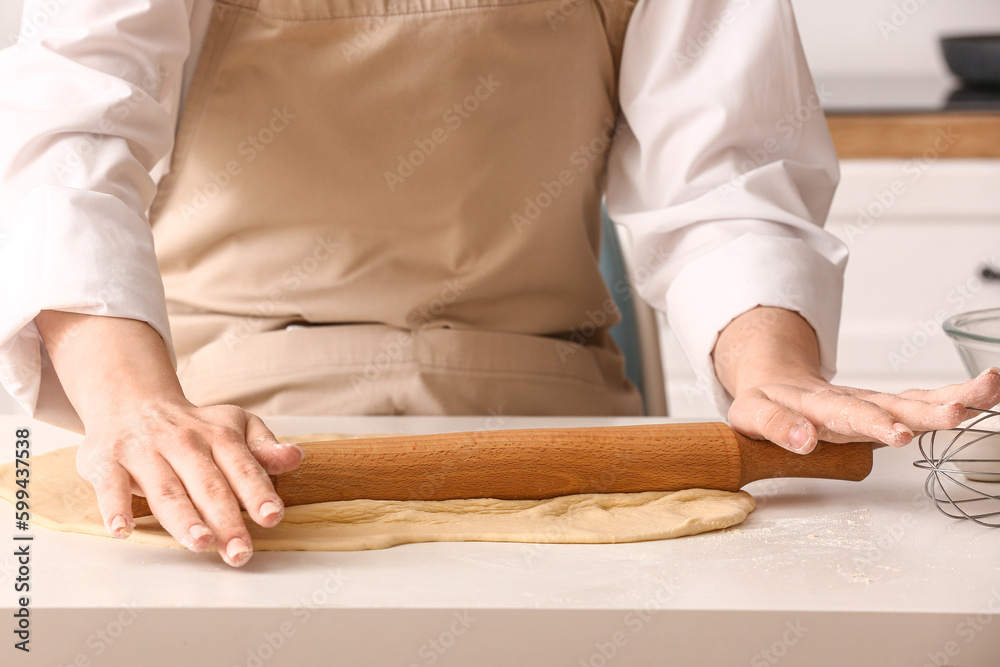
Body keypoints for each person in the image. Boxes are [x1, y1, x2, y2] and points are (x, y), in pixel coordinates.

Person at [2, 0, 997, 567]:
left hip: (556, 427)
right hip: (216, 427)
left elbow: (724, 180)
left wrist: (773, 367)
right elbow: (66, 138)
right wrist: (136, 406)